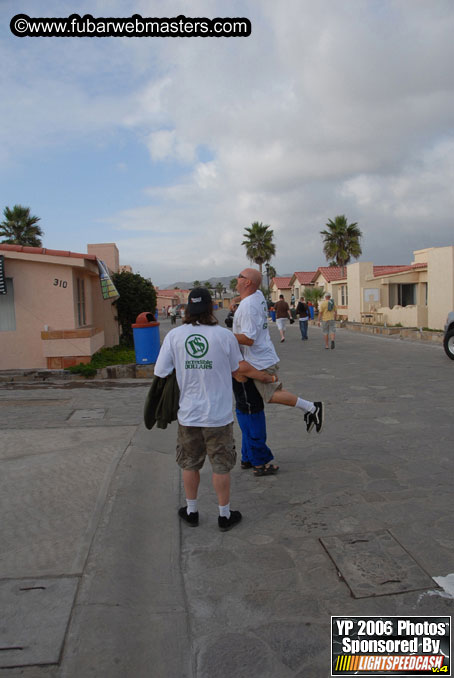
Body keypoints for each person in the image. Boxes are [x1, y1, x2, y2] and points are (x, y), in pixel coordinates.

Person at [154, 287, 277, 531]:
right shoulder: (225, 336)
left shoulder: (174, 336)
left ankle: (191, 511)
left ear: (187, 309)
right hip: (218, 415)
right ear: (211, 308)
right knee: (221, 466)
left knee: (189, 463)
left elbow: (161, 372)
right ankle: (224, 515)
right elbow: (236, 368)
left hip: (188, 414)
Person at [232, 268, 324, 433]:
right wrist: (235, 300)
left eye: (240, 276)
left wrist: (224, 336)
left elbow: (249, 339)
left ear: (247, 282)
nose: (236, 278)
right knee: (274, 391)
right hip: (264, 355)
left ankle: (312, 408)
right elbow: (250, 294)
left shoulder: (247, 307)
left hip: (258, 360)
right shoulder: (257, 295)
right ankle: (309, 408)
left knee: (271, 394)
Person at [232, 376, 278, 476]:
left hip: (244, 403)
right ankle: (259, 465)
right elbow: (257, 374)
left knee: (247, 431)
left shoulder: (236, 361)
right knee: (256, 433)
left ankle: (247, 459)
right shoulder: (241, 363)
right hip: (250, 404)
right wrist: (272, 378)